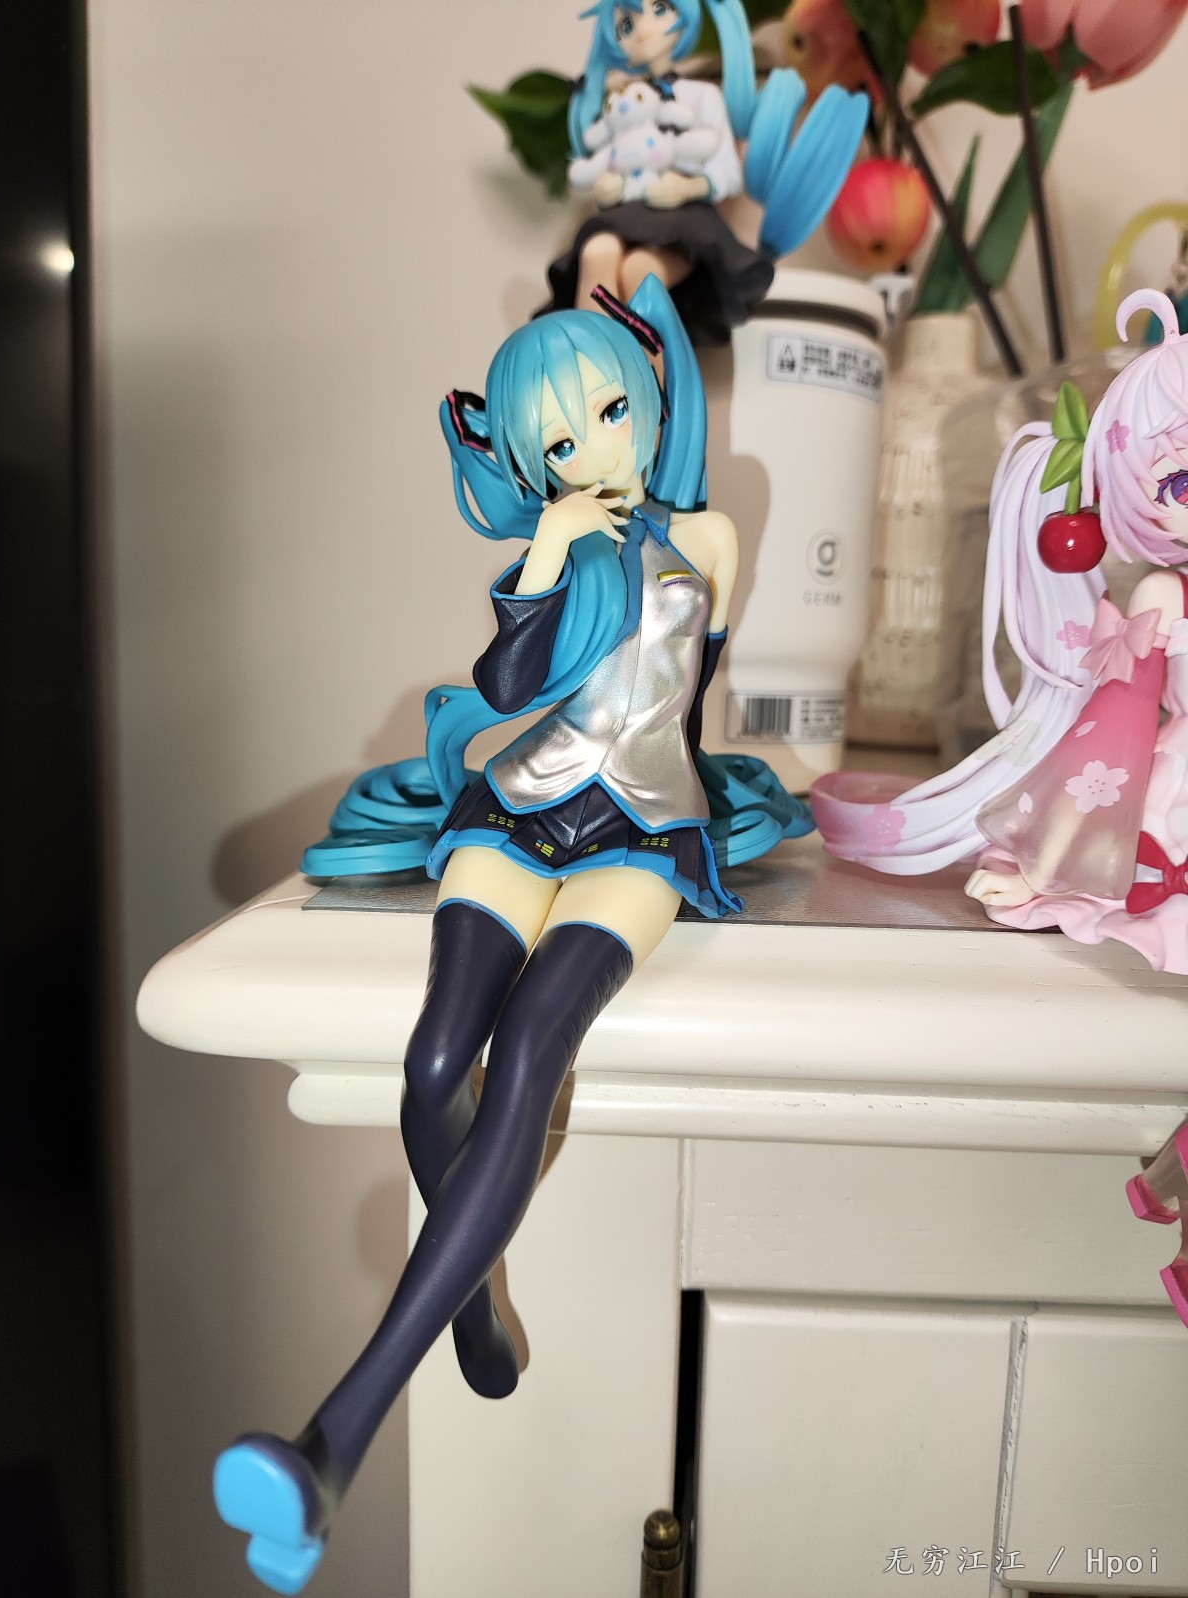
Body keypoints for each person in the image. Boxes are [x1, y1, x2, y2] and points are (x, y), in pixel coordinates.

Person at [212, 276, 812, 1593]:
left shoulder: (708, 535)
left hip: (643, 826)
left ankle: (331, 1442)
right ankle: (473, 1293)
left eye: (609, 412)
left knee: (531, 1050)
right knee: (434, 1063)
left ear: (649, 398)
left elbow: (688, 699)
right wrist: (547, 556)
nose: (591, 449)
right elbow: (505, 685)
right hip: (520, 807)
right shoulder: (557, 546)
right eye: (558, 438)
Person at [813, 290, 1188, 974]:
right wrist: (1047, 852)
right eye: (1180, 483)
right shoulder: (1167, 595)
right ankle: (1055, 876)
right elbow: (1119, 723)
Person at [542, 0, 867, 345]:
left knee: (639, 270)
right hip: (627, 215)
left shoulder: (702, 96)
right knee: (596, 251)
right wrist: (606, 186)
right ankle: (590, 366)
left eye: (659, 10)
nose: (643, 29)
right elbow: (607, 158)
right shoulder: (619, 104)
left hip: (682, 223)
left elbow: (727, 173)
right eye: (626, 26)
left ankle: (651, 374)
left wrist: (689, 187)